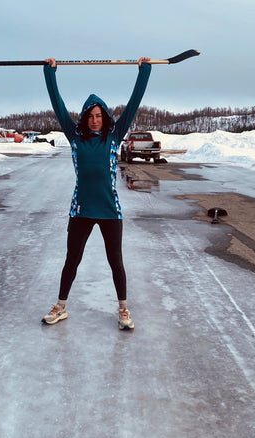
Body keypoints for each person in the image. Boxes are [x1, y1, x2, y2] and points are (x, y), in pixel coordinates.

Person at [41, 56, 152, 330]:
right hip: (80, 210)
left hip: (110, 210)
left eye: (98, 116)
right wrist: (50, 72)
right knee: (72, 260)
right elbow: (58, 105)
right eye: (90, 116)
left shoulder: (114, 136)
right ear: (84, 117)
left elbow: (134, 103)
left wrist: (144, 71)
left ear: (105, 117)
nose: (94, 120)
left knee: (116, 262)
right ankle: (60, 306)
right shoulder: (75, 137)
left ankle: (123, 309)